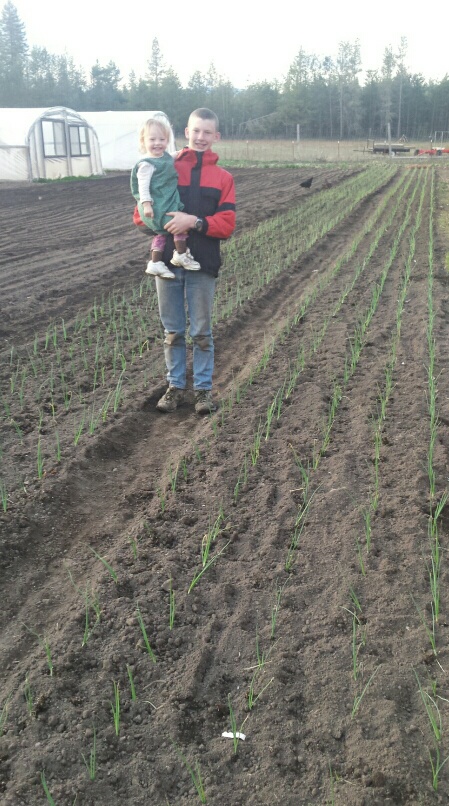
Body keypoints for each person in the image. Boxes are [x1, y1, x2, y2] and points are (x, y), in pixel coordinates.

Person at [133, 108, 236, 415]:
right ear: (186, 132)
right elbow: (140, 215)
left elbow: (227, 223)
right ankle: (176, 387)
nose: (201, 137)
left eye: (208, 132)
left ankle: (203, 392)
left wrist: (193, 221)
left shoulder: (223, 178)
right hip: (166, 263)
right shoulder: (164, 166)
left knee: (202, 332)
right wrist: (164, 223)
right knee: (173, 331)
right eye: (196, 131)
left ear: (216, 137)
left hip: (202, 263)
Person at [130, 115, 201, 279]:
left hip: (164, 203)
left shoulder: (164, 157)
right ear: (143, 141)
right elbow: (142, 187)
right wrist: (146, 204)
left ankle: (155, 263)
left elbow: (172, 157)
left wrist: (184, 151)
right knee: (179, 225)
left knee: (161, 234)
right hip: (156, 206)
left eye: (162, 139)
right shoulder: (146, 164)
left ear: (167, 140)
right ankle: (181, 254)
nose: (157, 143)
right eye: (152, 139)